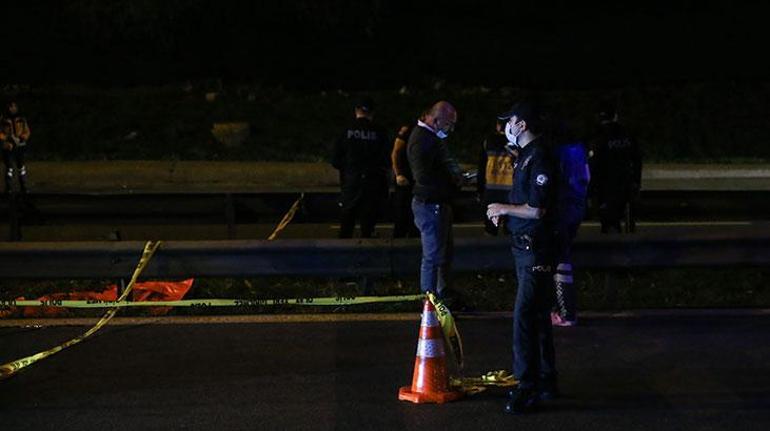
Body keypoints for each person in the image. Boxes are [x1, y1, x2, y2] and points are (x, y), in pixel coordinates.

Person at [486, 102, 558, 414]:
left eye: (510, 122)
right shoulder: (526, 157)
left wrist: (503, 209)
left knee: (524, 319)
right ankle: (546, 380)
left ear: (523, 124)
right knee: (538, 316)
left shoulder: (538, 157)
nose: (507, 128)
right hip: (524, 247)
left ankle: (526, 387)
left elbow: (537, 209)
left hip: (535, 249)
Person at [408, 101, 463, 300]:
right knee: (432, 257)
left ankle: (442, 293)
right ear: (436, 119)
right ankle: (429, 301)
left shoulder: (430, 138)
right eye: (449, 124)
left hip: (438, 203)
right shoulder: (421, 139)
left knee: (443, 254)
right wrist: (449, 181)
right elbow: (424, 176)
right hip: (430, 204)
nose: (450, 129)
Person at [331, 97, 390, 238]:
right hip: (373, 181)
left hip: (351, 180)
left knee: (347, 217)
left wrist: (348, 169)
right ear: (372, 113)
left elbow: (335, 160)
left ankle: (344, 250)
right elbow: (386, 158)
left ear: (356, 111)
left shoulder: (345, 130)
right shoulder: (380, 132)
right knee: (368, 220)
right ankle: (367, 250)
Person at [549, 125, 590, 327]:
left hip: (562, 210)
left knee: (560, 262)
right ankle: (563, 310)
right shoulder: (578, 149)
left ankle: (566, 312)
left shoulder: (559, 152)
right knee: (562, 258)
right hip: (576, 207)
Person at [588, 103, 642, 233]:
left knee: (608, 217)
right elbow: (637, 158)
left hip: (605, 182)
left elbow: (593, 162)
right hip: (625, 179)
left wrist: (591, 187)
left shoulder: (597, 135)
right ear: (615, 116)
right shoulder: (626, 134)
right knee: (622, 211)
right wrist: (636, 180)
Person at [477, 117, 515, 235]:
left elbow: (481, 168)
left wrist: (480, 191)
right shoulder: (515, 142)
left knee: (490, 229)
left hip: (491, 191)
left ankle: (489, 250)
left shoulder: (487, 142)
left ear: (498, 126)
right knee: (510, 230)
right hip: (511, 192)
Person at [391, 117, 421, 239]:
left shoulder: (431, 131)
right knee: (402, 213)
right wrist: (398, 174)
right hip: (405, 178)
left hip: (418, 179)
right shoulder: (409, 130)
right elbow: (395, 152)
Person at [1, 101, 32, 194]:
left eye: (14, 107)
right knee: (9, 168)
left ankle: (24, 188)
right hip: (9, 147)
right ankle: (8, 188)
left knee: (21, 168)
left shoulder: (21, 119)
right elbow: (0, 133)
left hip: (20, 147)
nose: (12, 108)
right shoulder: (3, 119)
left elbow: (27, 131)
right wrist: (6, 140)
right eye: (11, 107)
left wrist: (22, 138)